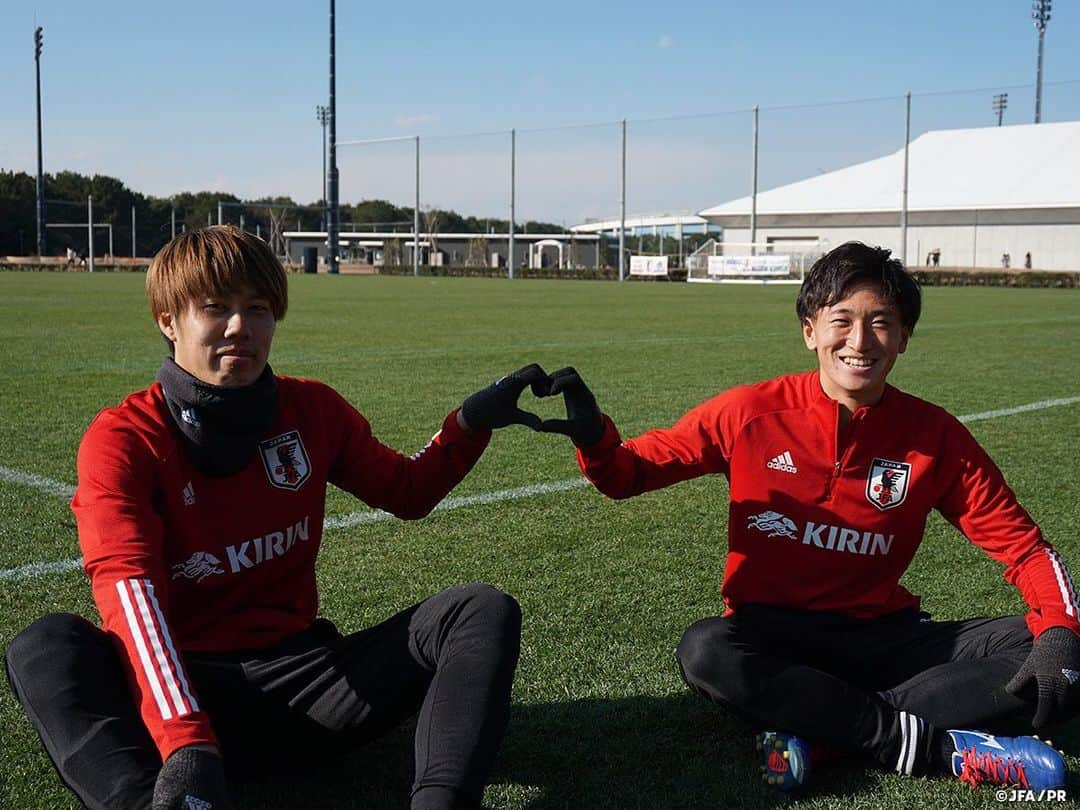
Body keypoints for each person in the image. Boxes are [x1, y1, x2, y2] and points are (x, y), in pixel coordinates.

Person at [5, 225, 544, 810]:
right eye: (216, 308)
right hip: (178, 694)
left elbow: (407, 491)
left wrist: (470, 423)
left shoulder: (311, 409)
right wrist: (187, 743)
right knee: (46, 645)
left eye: (257, 309)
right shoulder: (123, 439)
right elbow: (129, 595)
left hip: (304, 685)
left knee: (478, 610)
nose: (241, 327)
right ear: (168, 319)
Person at [539, 241, 1080, 793]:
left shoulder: (935, 437)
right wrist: (593, 437)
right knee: (706, 651)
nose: (859, 342)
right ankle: (932, 746)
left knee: (1063, 646)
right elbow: (628, 475)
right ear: (810, 330)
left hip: (883, 639)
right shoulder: (748, 413)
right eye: (841, 321)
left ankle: (824, 733)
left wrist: (1060, 630)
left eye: (881, 323)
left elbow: (1025, 549)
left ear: (904, 338)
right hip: (775, 641)